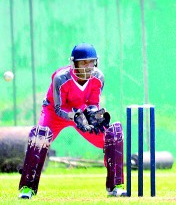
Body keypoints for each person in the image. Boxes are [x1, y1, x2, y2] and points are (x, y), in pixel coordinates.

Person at [18, 43, 127, 199]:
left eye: (91, 62)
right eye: (83, 62)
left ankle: (116, 185)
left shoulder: (98, 78)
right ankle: (27, 188)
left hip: (81, 111)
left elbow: (93, 104)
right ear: (74, 63)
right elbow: (58, 108)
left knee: (113, 134)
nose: (88, 66)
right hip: (56, 113)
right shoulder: (60, 78)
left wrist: (93, 116)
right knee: (39, 136)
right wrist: (74, 117)